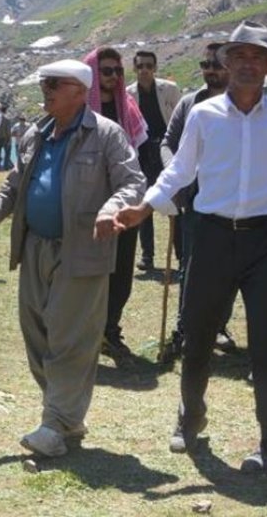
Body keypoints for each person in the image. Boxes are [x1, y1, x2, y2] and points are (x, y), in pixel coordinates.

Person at [114, 21, 267, 474]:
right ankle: (190, 415)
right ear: (226, 64)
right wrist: (144, 207)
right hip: (210, 235)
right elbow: (179, 172)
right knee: (199, 332)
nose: (247, 65)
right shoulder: (204, 115)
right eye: (238, 56)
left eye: (256, 57)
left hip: (266, 238)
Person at [0, 60, 144, 457]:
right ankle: (66, 417)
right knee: (38, 334)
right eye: (44, 84)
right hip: (35, 247)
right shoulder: (36, 133)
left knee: (70, 339)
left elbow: (133, 182)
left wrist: (111, 209)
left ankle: (55, 423)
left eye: (55, 85)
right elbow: (13, 185)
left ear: (80, 91)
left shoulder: (106, 134)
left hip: (81, 250)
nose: (46, 90)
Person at [159, 44, 234, 359]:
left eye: (216, 64)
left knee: (230, 269)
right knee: (192, 268)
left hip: (235, 203)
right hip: (195, 202)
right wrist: (175, 174)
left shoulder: (246, 103)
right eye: (205, 64)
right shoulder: (189, 103)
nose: (210, 70)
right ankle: (185, 329)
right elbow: (167, 143)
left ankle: (217, 325)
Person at [84, 48, 147, 361]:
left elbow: (142, 152)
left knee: (121, 271)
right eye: (106, 71)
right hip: (88, 204)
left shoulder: (129, 108)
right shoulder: (79, 110)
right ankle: (87, 334)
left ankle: (110, 330)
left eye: (117, 71)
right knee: (92, 272)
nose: (112, 77)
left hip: (124, 201)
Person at [126, 50, 180, 273]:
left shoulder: (169, 89)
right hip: (142, 153)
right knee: (144, 202)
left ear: (155, 68)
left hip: (166, 150)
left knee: (176, 202)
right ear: (135, 69)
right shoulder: (128, 94)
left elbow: (180, 119)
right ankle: (147, 257)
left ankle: (182, 255)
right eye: (140, 66)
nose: (144, 70)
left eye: (149, 65)